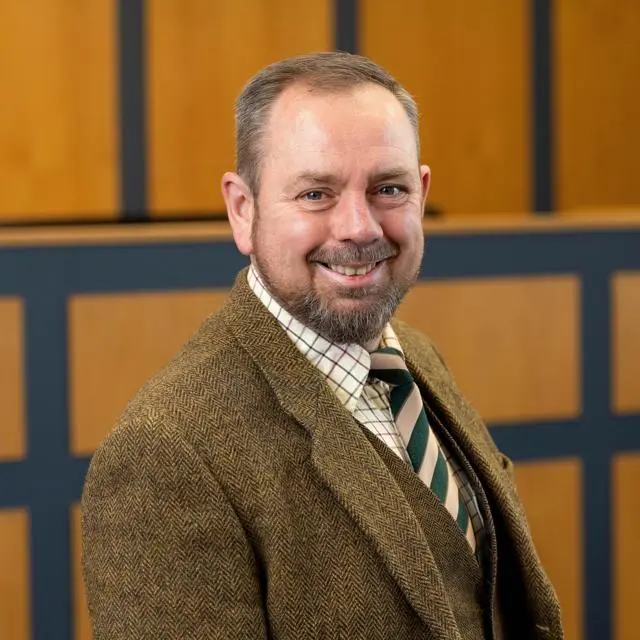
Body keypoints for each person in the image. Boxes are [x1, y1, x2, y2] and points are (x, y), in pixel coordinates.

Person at [81, 51, 563, 639]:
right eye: (316, 194)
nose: (360, 227)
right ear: (242, 209)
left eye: (388, 188)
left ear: (422, 191)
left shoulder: (415, 358)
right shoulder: (164, 456)